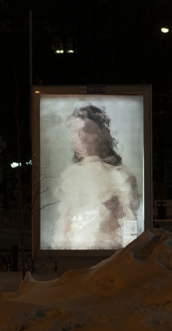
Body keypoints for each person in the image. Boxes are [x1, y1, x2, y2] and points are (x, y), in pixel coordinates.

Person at [49, 105, 140, 250]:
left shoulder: (120, 176)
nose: (81, 138)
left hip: (109, 253)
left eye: (88, 130)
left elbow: (129, 222)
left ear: (103, 134)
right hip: (76, 253)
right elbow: (64, 223)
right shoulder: (71, 176)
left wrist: (127, 251)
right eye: (75, 131)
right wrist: (61, 250)